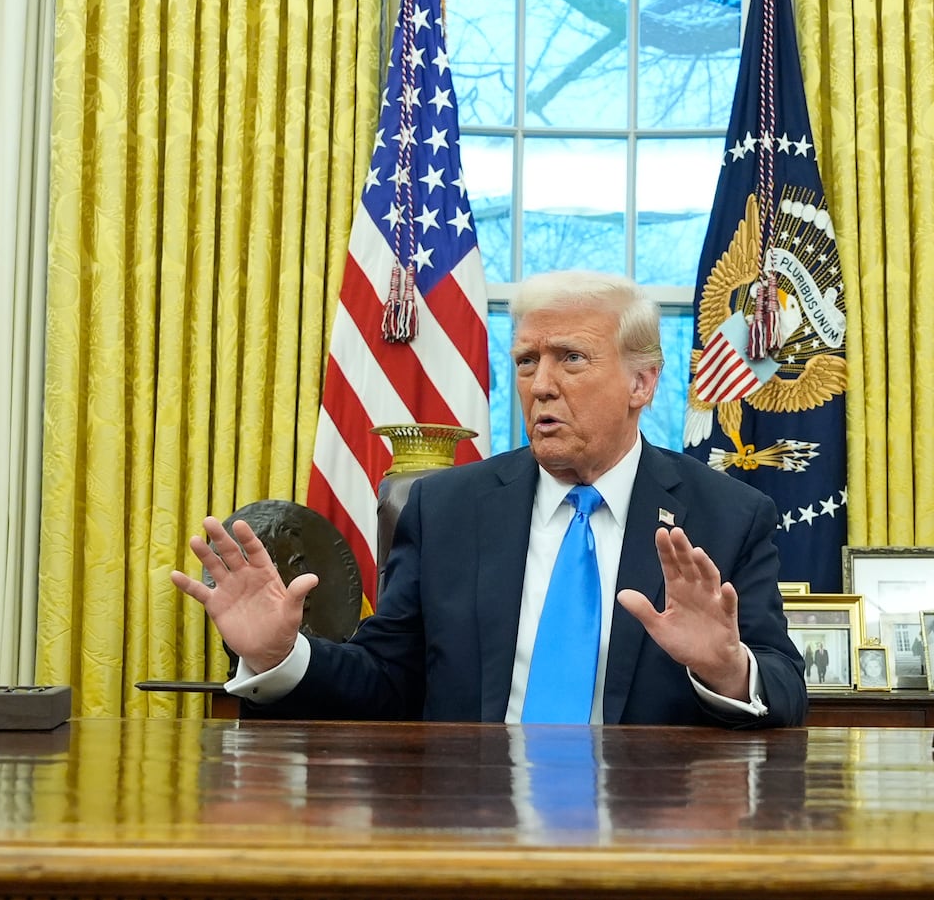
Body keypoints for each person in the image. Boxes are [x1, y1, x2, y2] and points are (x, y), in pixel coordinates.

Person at [172, 270, 807, 728]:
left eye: (571, 359)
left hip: (649, 842)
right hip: (474, 829)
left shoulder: (727, 514)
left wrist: (727, 668)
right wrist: (279, 655)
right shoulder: (447, 509)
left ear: (642, 381)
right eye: (527, 361)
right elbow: (386, 681)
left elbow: (783, 686)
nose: (542, 385)